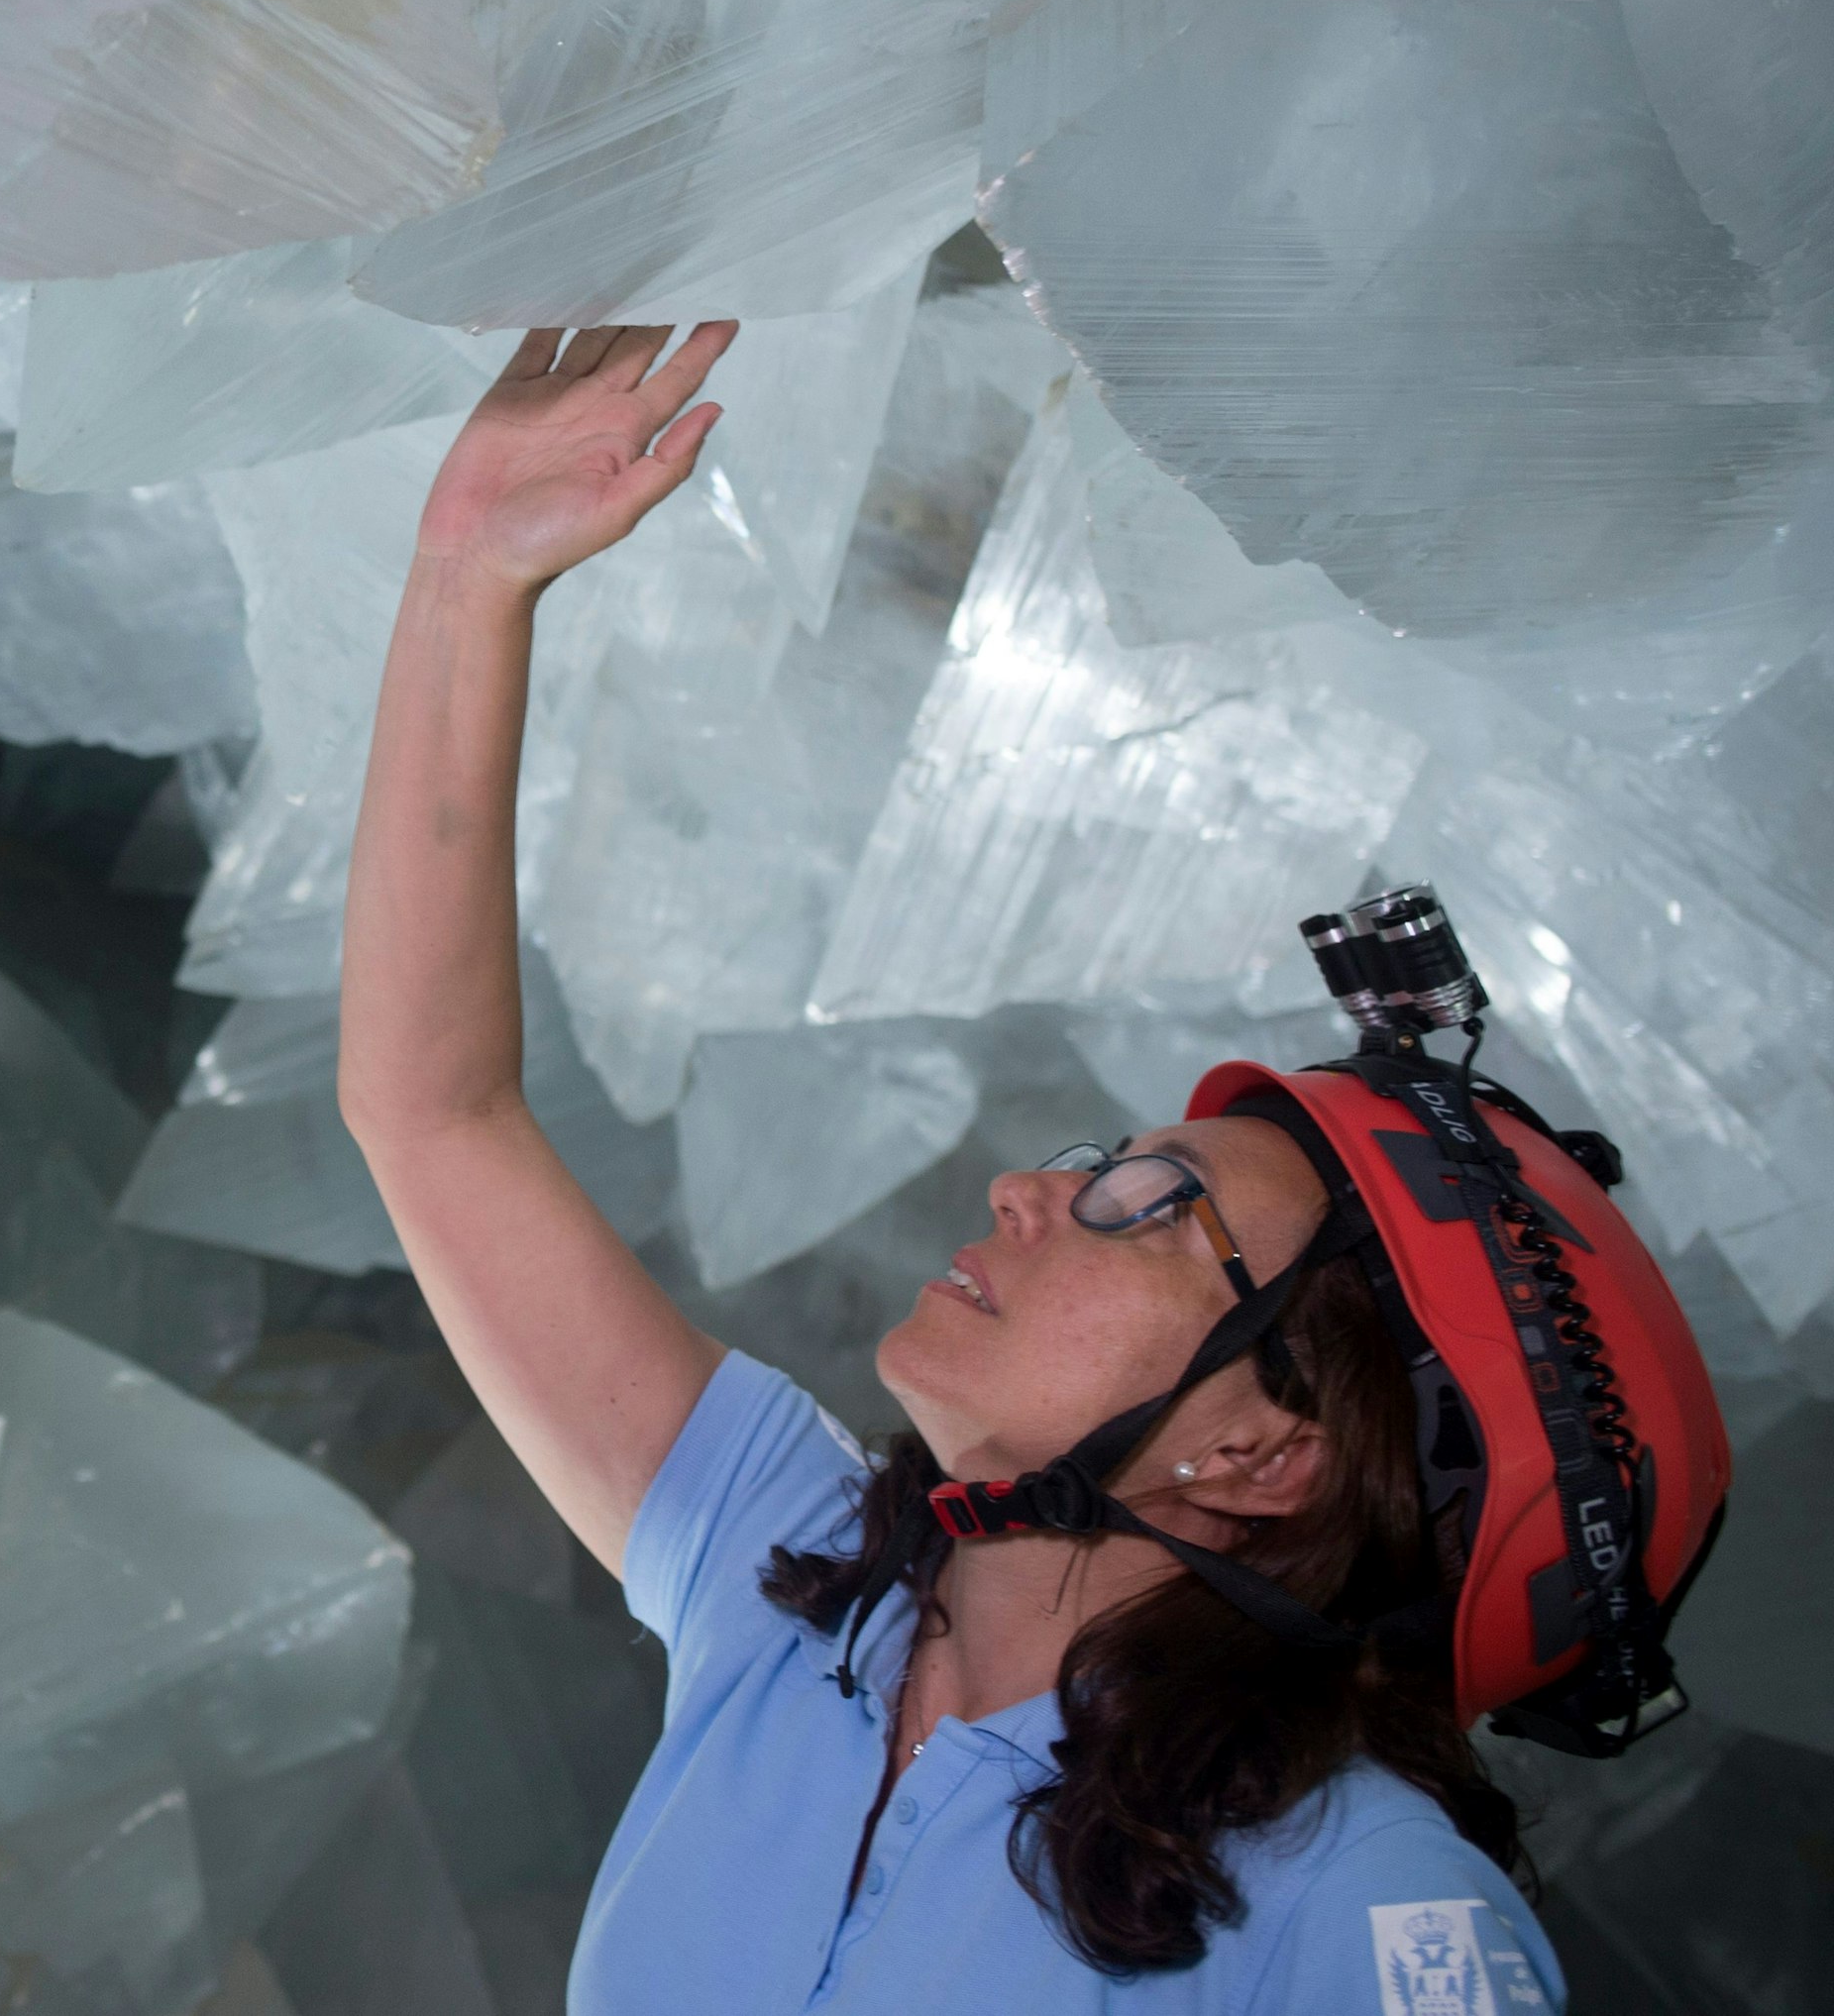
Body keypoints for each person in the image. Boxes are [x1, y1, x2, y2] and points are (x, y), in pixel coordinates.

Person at [339, 321, 1727, 2011]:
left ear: (1262, 1450)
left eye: (1149, 1208)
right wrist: (467, 578)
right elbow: (434, 1110)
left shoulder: (1366, 1908)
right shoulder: (791, 1590)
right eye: (1099, 1162)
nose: (1030, 1190)